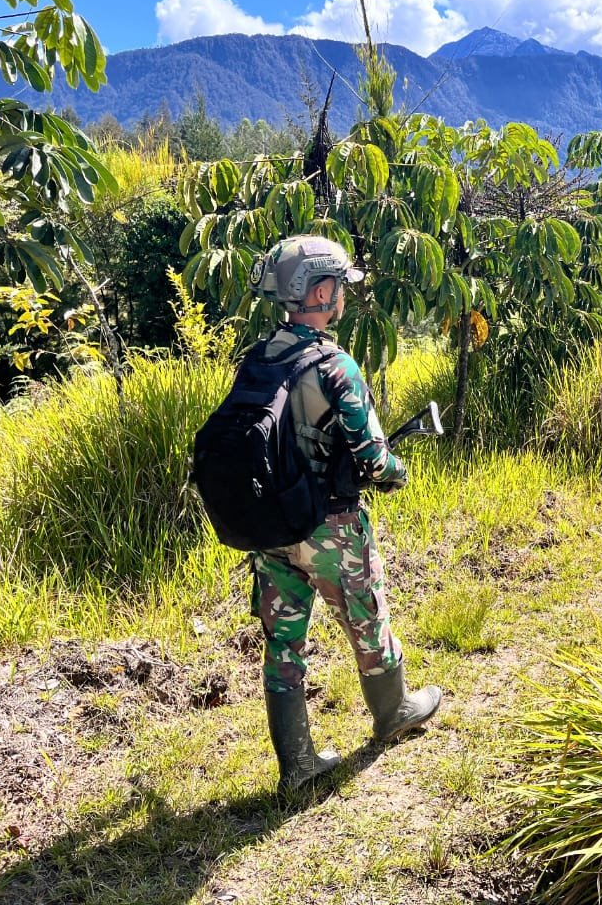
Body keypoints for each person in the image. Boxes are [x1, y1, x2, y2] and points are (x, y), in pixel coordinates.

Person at [246, 234, 441, 794]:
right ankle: (394, 712)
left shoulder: (260, 358)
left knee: (283, 642)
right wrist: (397, 471)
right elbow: (375, 460)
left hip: (273, 525)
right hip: (331, 526)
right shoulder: (335, 365)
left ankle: (298, 763)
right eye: (340, 289)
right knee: (367, 617)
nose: (343, 299)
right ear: (322, 291)